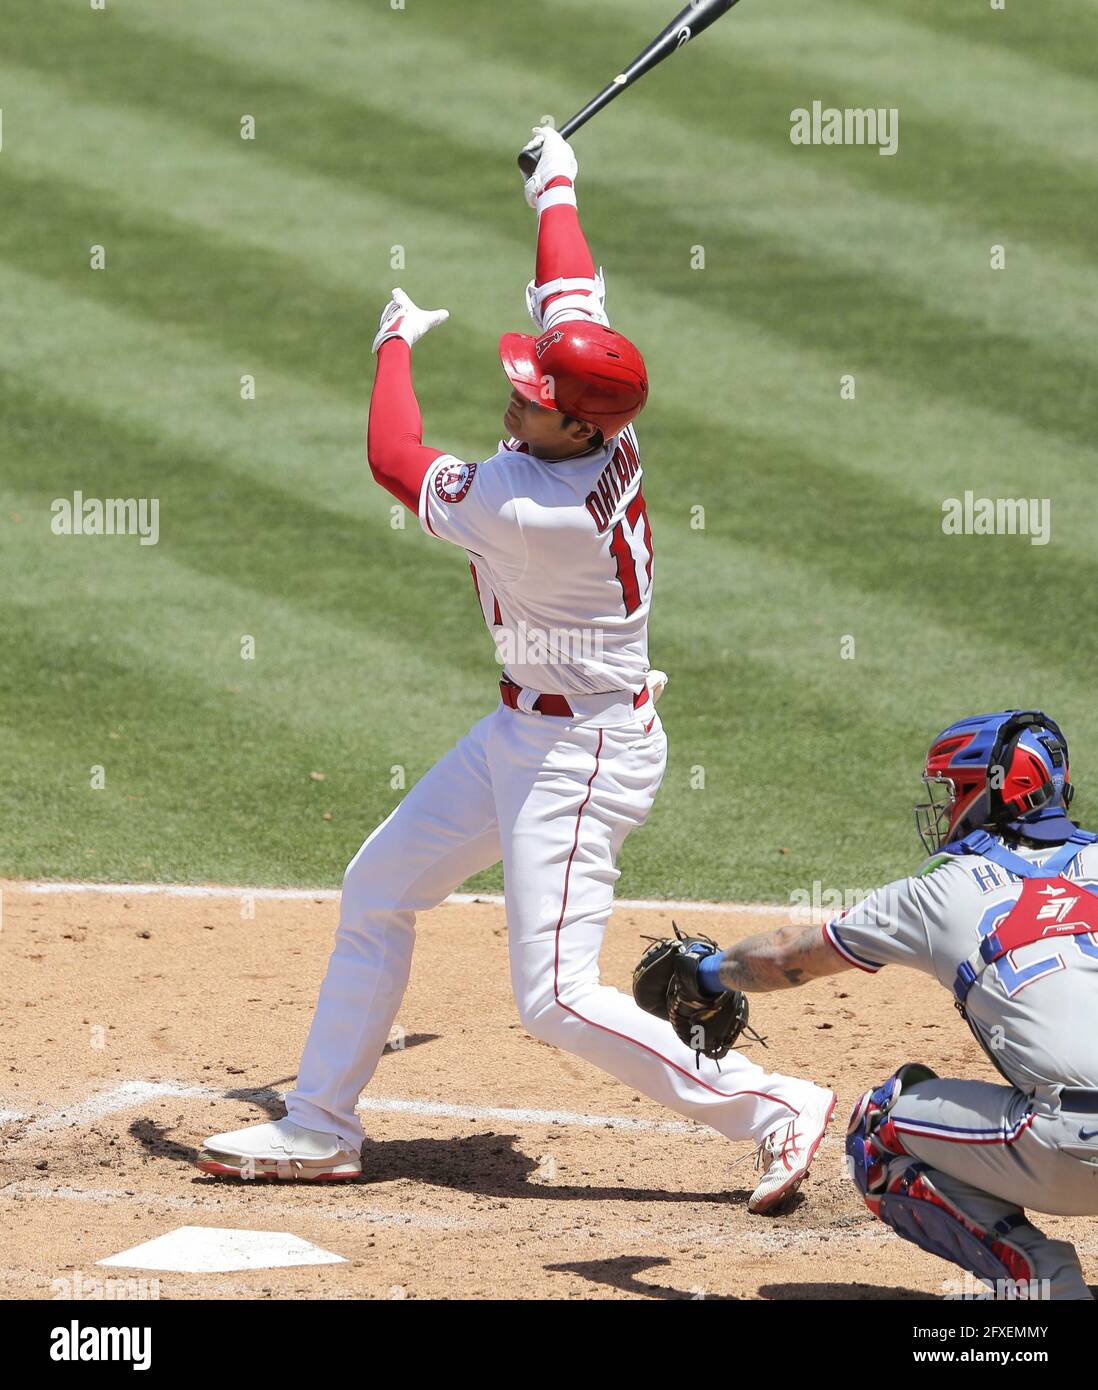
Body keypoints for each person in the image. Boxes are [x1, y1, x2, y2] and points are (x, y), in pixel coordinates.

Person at [198, 127, 834, 1212]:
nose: (515, 395)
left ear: (573, 419)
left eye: (532, 394)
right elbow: (569, 287)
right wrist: (557, 181)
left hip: (581, 752)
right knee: (379, 887)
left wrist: (393, 344)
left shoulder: (529, 510)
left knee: (550, 995)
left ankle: (772, 1106)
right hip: (523, 733)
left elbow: (392, 458)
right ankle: (321, 1121)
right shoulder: (601, 426)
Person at [656, 710, 1098, 1297]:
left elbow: (794, 953)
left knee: (878, 1131)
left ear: (993, 792)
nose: (945, 809)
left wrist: (707, 973)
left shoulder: (943, 890)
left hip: (1070, 1149)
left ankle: (1048, 1283)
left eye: (955, 790)